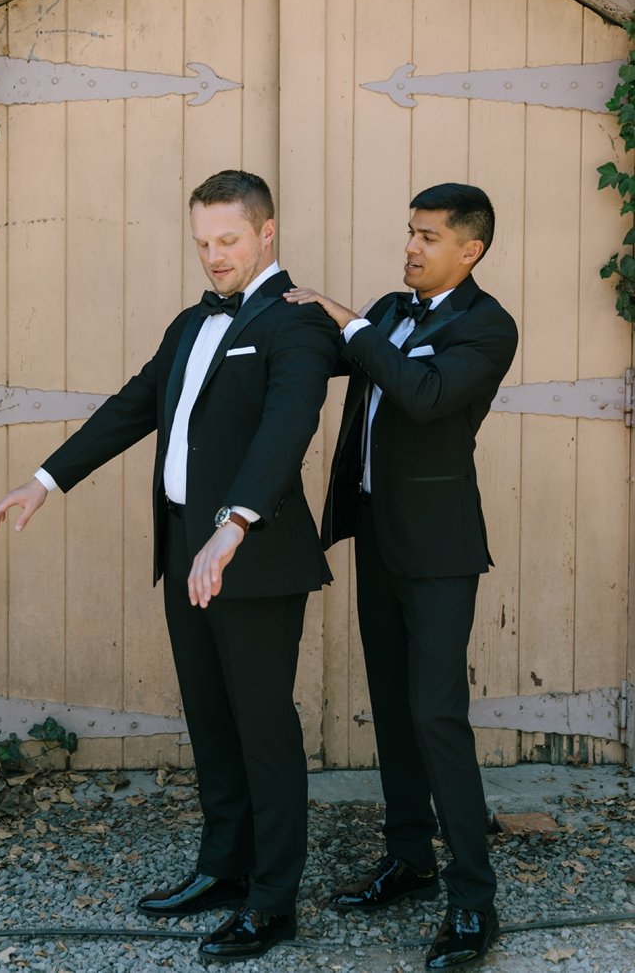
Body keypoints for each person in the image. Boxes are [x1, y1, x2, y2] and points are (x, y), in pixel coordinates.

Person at [0, 170, 337, 963]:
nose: (214, 257)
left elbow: (287, 428)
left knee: (264, 730)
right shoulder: (190, 322)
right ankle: (223, 869)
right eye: (203, 243)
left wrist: (234, 524)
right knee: (212, 723)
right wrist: (46, 480)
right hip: (185, 548)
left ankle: (273, 901)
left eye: (229, 241)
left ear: (266, 233)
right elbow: (134, 405)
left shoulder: (298, 323)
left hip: (252, 556)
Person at [283, 182, 517, 970]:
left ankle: (472, 901)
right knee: (390, 703)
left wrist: (349, 319)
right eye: (409, 233)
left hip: (441, 553)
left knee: (436, 714)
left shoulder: (488, 327)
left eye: (426, 237)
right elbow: (335, 360)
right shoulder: (389, 309)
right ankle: (411, 859)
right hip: (377, 538)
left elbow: (421, 396)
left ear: (469, 250)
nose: (410, 247)